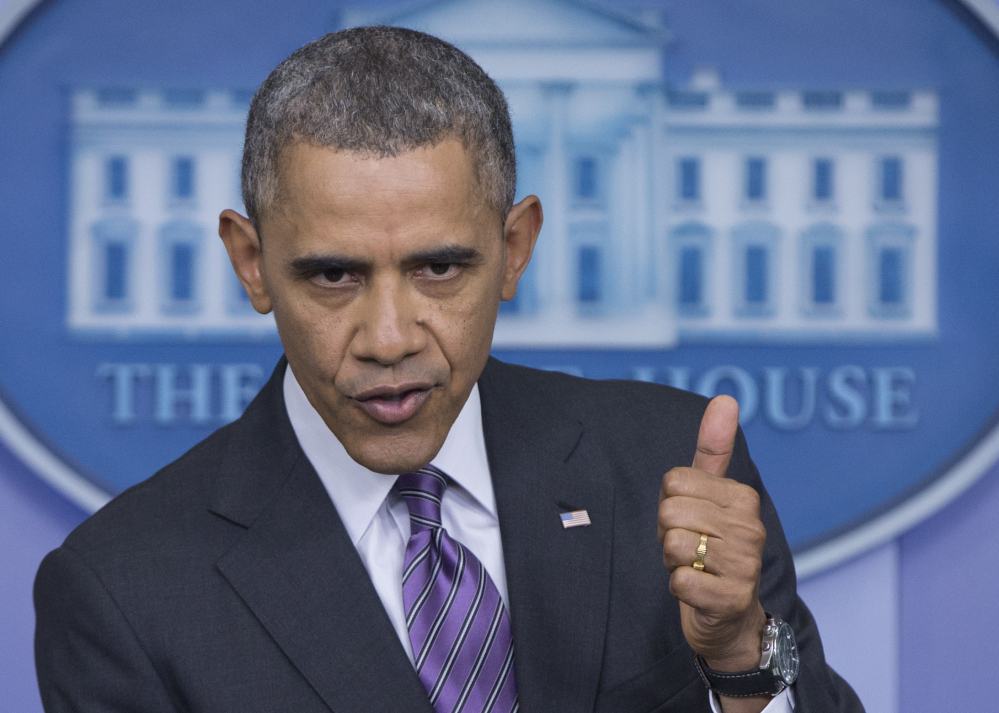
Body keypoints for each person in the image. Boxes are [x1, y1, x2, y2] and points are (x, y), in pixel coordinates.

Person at [34, 27, 863, 713]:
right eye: (333, 275)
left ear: (513, 250)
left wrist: (737, 662)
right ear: (251, 264)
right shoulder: (121, 590)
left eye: (439, 268)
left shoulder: (668, 464)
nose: (389, 337)